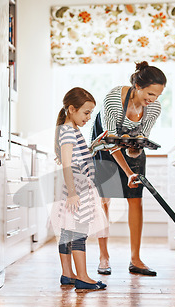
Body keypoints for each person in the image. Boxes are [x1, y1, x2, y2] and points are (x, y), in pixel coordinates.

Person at [91, 61, 167, 276]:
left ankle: (136, 259)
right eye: (150, 94)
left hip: (130, 144)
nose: (152, 100)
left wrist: (135, 149)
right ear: (137, 85)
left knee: (136, 199)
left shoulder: (154, 108)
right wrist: (127, 172)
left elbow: (141, 140)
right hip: (105, 146)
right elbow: (109, 142)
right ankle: (104, 257)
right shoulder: (114, 99)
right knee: (104, 201)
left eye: (157, 96)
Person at [49, 87, 108, 290]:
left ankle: (68, 274)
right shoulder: (68, 132)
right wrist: (73, 193)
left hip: (74, 186)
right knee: (78, 232)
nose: (89, 117)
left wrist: (93, 147)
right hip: (76, 188)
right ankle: (82, 276)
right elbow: (67, 164)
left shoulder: (69, 130)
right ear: (72, 109)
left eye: (91, 112)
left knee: (67, 231)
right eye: (86, 112)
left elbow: (75, 157)